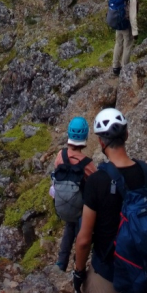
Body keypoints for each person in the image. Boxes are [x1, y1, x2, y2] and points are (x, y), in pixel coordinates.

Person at [73, 109, 147, 293]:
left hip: (110, 274)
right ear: (127, 134)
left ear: (100, 142)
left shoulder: (97, 181)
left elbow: (84, 239)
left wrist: (78, 272)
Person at [52, 116, 96, 271]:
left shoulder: (60, 156)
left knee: (68, 229)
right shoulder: (87, 163)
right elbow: (94, 184)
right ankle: (79, 262)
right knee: (80, 233)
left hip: (63, 203)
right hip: (80, 209)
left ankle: (61, 262)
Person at [111, 0, 138, 76]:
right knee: (127, 46)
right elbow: (133, 16)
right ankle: (125, 68)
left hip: (119, 24)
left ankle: (115, 67)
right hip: (127, 26)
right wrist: (135, 32)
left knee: (118, 44)